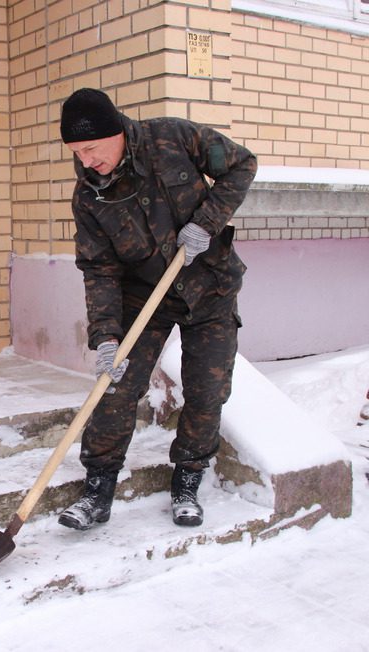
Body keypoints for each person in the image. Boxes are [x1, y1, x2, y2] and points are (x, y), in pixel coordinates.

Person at [58, 88, 257, 530]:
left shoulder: (172, 138)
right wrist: (107, 336)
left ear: (117, 132)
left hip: (210, 287)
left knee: (207, 392)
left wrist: (206, 223)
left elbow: (243, 164)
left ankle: (188, 480)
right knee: (115, 384)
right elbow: (99, 269)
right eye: (76, 152)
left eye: (92, 149)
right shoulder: (89, 196)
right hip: (144, 293)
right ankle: (99, 487)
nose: (87, 161)